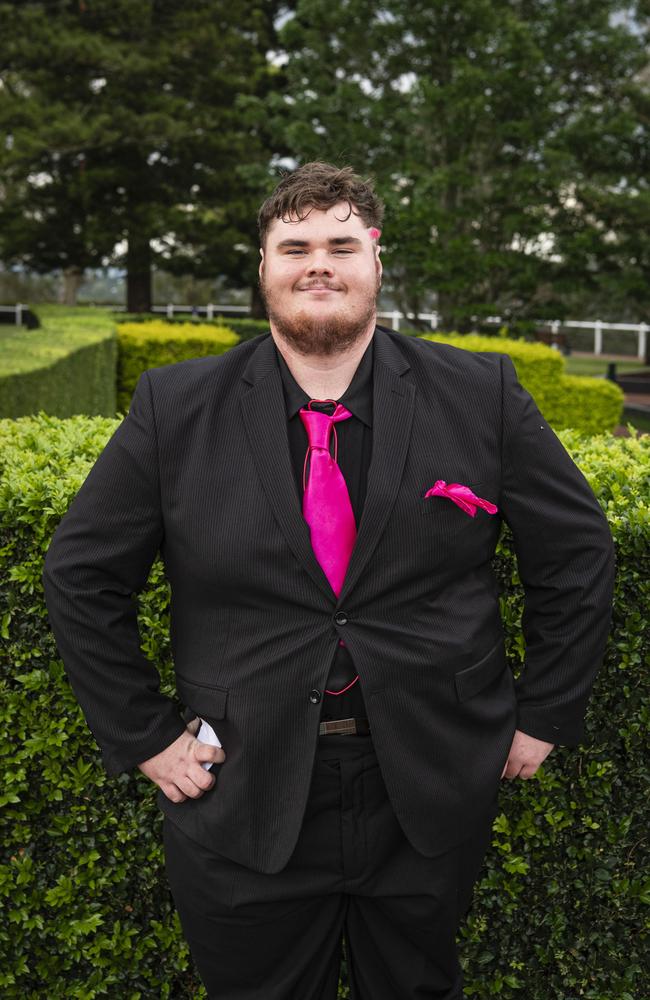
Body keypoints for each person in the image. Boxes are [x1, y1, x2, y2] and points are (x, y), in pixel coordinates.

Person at [42, 161, 616, 1000]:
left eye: (342, 244)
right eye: (295, 245)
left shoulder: (481, 393)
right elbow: (82, 574)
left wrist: (546, 713)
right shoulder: (176, 407)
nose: (320, 263)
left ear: (377, 261)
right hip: (239, 782)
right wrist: (144, 736)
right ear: (264, 269)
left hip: (429, 775)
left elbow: (575, 553)